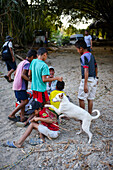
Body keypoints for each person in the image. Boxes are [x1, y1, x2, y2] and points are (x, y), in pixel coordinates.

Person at [8, 49, 37, 122]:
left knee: (22, 101)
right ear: (32, 57)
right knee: (25, 101)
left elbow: (15, 74)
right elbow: (23, 74)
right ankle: (12, 114)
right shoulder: (27, 63)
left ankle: (22, 116)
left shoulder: (22, 62)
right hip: (20, 86)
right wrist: (30, 80)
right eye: (35, 59)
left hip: (16, 84)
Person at [75, 40, 98, 114]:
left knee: (81, 98)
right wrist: (96, 78)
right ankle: (89, 115)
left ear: (81, 48)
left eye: (77, 49)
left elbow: (86, 70)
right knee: (90, 98)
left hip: (87, 79)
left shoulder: (83, 56)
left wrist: (85, 84)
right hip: (94, 79)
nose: (77, 51)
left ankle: (83, 116)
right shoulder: (91, 55)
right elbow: (96, 67)